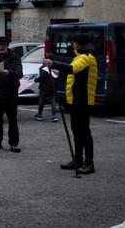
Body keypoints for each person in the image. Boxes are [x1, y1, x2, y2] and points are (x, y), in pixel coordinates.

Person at [43, 33, 98, 175]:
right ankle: (78, 159)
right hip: (75, 98)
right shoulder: (79, 57)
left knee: (84, 132)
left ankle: (89, 162)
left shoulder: (86, 57)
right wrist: (59, 72)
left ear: (78, 44)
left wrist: (53, 63)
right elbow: (73, 74)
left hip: (83, 99)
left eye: (74, 42)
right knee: (76, 131)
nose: (72, 45)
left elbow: (73, 69)